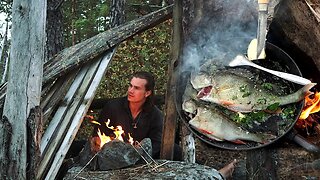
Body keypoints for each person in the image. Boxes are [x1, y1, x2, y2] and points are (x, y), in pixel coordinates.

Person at [91, 71, 165, 158]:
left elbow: (156, 144)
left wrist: (136, 154)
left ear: (147, 93)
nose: (130, 90)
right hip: (112, 157)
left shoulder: (155, 115)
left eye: (136, 88)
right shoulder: (113, 107)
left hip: (140, 161)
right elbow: (98, 135)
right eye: (130, 86)